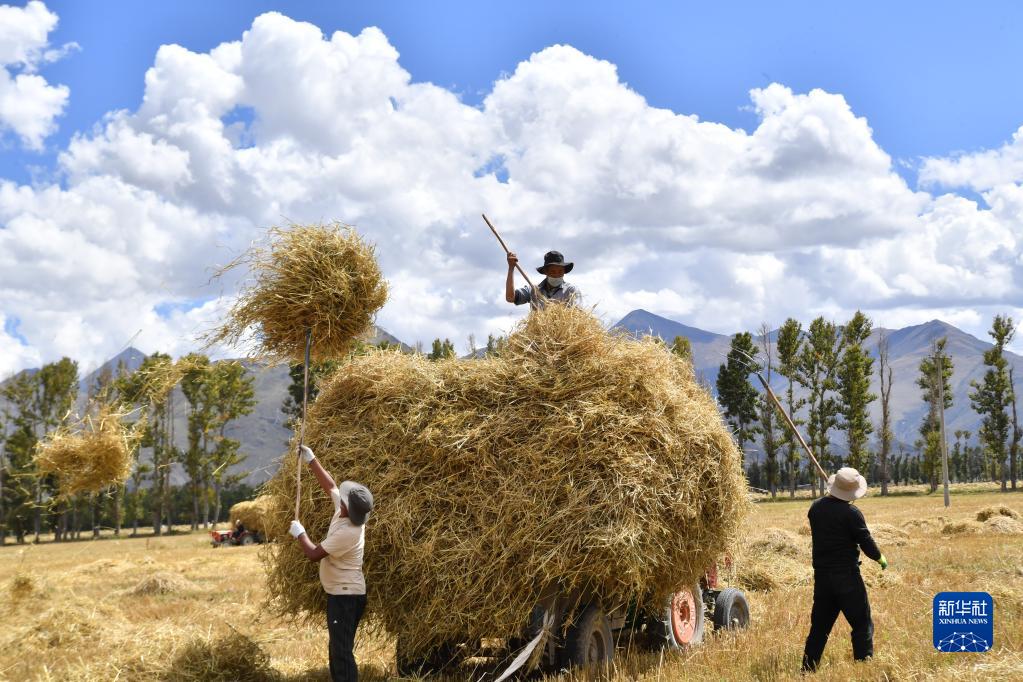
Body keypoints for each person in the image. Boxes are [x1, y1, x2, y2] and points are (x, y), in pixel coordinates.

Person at [289, 445, 375, 682]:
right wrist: (311, 459)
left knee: (342, 652)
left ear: (349, 509)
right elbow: (331, 487)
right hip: (341, 593)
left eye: (345, 501)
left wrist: (300, 533)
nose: (341, 499)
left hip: (346, 597)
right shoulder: (345, 511)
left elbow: (315, 554)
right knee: (337, 649)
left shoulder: (351, 531)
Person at [801, 467, 888, 673]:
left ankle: (807, 669)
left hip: (822, 579)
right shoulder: (851, 514)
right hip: (847, 578)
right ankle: (864, 666)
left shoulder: (815, 509)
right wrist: (879, 557)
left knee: (819, 628)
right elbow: (865, 542)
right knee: (862, 623)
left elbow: (828, 516)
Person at [505, 250, 582, 309]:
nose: (556, 275)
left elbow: (578, 315)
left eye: (560, 271)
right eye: (553, 271)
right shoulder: (534, 290)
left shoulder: (571, 291)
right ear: (546, 272)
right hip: (537, 330)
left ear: (564, 272)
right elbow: (510, 298)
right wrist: (511, 268)